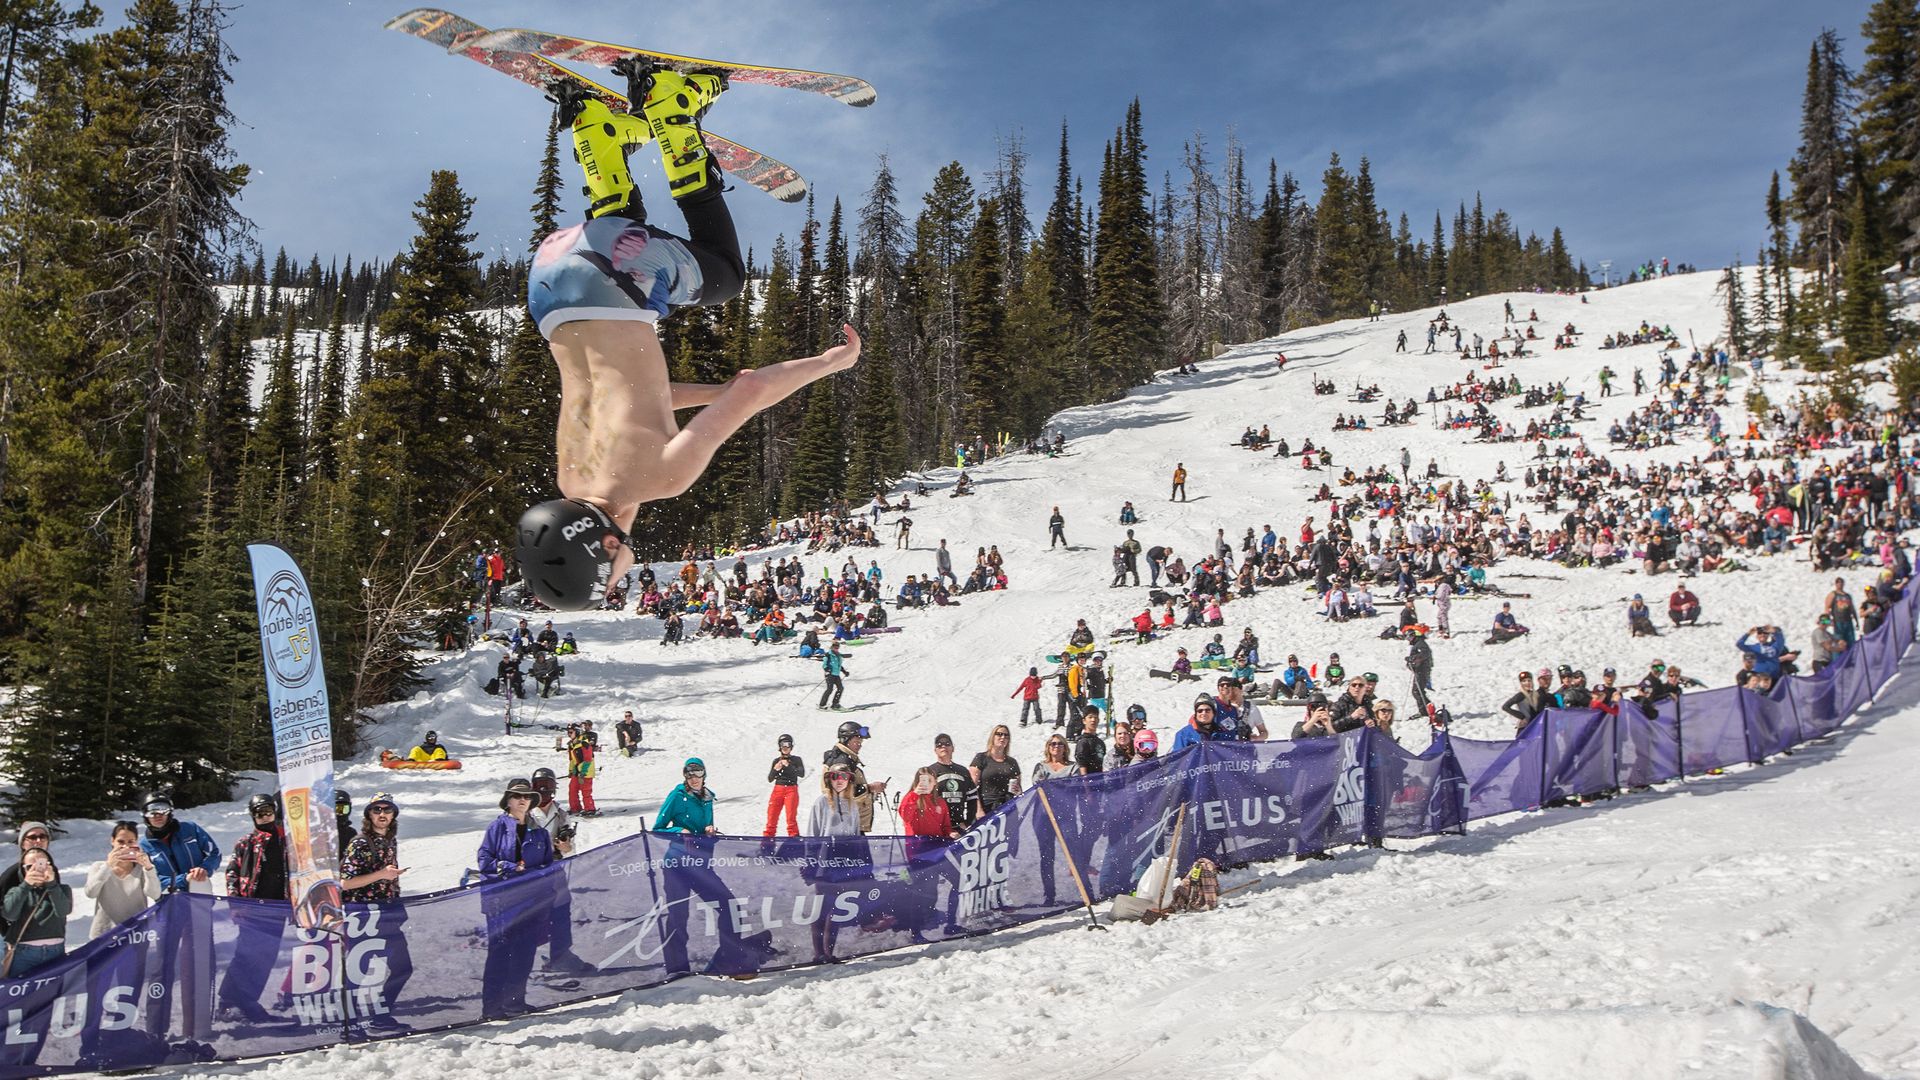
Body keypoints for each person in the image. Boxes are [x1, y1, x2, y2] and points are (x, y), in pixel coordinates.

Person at [513, 66, 866, 611]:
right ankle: (594, 131)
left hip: (609, 280)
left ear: (609, 546)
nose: (621, 582)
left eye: (609, 580)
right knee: (624, 239)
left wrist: (827, 363)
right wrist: (718, 390)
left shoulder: (663, 479)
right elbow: (638, 398)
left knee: (725, 273)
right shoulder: (571, 476)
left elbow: (750, 392)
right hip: (551, 279)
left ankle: (675, 114)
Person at [476, 778, 557, 1019]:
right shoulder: (497, 827)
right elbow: (484, 860)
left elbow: (547, 865)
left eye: (527, 797)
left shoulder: (540, 832)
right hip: (502, 902)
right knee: (500, 954)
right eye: (517, 796)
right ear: (508, 801)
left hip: (532, 901)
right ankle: (491, 1007)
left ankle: (515, 1002)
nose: (522, 800)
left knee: (525, 952)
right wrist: (510, 867)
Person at [85, 822, 160, 940]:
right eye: (121, 842)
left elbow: (154, 894)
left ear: (136, 842)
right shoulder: (99, 867)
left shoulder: (141, 869)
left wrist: (148, 868)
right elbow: (91, 892)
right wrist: (108, 866)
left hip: (136, 935)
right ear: (112, 841)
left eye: (130, 842)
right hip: (104, 935)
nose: (125, 847)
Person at [1, 849, 69, 977]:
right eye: (29, 867)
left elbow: (63, 911)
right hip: (24, 953)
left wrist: (52, 884)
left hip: (55, 952)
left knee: (53, 993)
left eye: (41, 864)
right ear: (23, 870)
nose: (36, 870)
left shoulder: (62, 890)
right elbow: (9, 914)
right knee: (21, 995)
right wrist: (26, 885)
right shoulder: (16, 891)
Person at [138, 794, 220, 894]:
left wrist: (204, 869)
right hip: (169, 900)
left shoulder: (190, 829)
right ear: (145, 815)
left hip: (199, 890)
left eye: (163, 809)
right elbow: (152, 880)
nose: (158, 815)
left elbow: (215, 853)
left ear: (170, 812)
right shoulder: (144, 846)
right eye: (152, 811)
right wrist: (183, 879)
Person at [821, 721, 886, 833]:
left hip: (848, 822)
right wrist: (870, 788)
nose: (860, 745)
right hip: (845, 824)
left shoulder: (845, 759)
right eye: (857, 741)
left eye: (860, 742)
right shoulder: (841, 762)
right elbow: (841, 791)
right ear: (845, 740)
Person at [927, 733, 978, 832]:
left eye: (947, 744)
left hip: (959, 827)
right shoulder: (930, 771)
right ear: (935, 750)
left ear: (953, 748)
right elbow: (923, 801)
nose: (943, 746)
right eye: (939, 745)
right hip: (938, 828)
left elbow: (972, 798)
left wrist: (968, 822)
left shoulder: (963, 771)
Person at [969, 725, 1022, 819]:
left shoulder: (1012, 762)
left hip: (1007, 808)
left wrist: (1018, 790)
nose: (1003, 737)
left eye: (1006, 735)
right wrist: (978, 809)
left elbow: (1019, 789)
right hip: (986, 807)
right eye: (999, 734)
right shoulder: (981, 758)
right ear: (992, 737)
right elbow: (972, 787)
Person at [765, 733, 805, 838]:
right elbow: (770, 779)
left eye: (788, 744)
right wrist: (775, 769)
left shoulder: (796, 760)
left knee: (791, 818)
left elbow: (801, 773)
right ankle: (767, 843)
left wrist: (789, 766)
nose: (785, 747)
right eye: (783, 744)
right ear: (779, 746)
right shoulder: (776, 761)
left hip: (791, 789)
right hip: (778, 789)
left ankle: (794, 842)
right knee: (771, 818)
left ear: (791, 746)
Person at [898, 768, 955, 840]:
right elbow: (905, 816)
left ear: (935, 782)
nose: (926, 784)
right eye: (923, 781)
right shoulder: (910, 798)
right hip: (916, 846)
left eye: (929, 781)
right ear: (917, 782)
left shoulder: (940, 802)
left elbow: (945, 826)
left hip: (937, 845)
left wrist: (950, 833)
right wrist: (915, 794)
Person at [528, 768, 574, 856]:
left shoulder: (561, 815)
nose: (543, 789)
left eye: (548, 785)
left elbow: (572, 852)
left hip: (555, 864)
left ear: (553, 788)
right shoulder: (525, 814)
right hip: (531, 865)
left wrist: (567, 848)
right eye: (539, 785)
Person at [808, 766, 863, 836]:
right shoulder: (821, 802)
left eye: (844, 776)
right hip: (827, 846)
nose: (840, 780)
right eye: (835, 776)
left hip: (848, 846)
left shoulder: (853, 804)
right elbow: (812, 832)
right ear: (829, 780)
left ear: (849, 780)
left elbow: (856, 833)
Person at [567, 726, 600, 817]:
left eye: (571, 732)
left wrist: (583, 773)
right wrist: (571, 770)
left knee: (586, 790)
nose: (569, 734)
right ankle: (575, 807)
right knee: (572, 789)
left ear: (577, 732)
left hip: (586, 772)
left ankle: (589, 808)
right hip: (576, 771)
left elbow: (588, 759)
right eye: (568, 732)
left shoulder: (584, 744)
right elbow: (572, 760)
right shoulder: (571, 745)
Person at [1073, 710, 1107, 774]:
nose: (1093, 720)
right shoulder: (1082, 742)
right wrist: (1086, 781)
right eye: (1090, 717)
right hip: (1088, 780)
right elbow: (1082, 764)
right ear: (1084, 721)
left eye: (1095, 717)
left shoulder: (1100, 742)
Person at [818, 641, 849, 710]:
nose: (836, 648)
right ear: (832, 647)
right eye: (835, 647)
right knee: (829, 689)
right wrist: (827, 670)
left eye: (837, 647)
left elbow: (839, 666)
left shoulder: (838, 655)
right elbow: (824, 665)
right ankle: (822, 705)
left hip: (836, 674)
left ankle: (835, 704)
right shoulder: (828, 655)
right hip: (830, 675)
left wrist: (844, 672)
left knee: (840, 688)